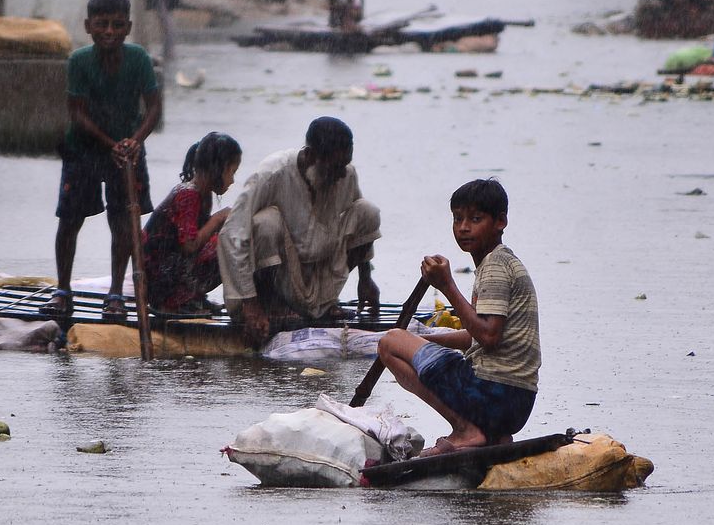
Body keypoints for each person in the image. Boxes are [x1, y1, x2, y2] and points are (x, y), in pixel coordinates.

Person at [376, 179, 539, 456]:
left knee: (390, 343)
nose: (464, 227)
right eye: (457, 219)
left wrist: (447, 285)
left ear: (500, 222)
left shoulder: (496, 266)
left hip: (492, 395)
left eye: (475, 219)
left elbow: (488, 336)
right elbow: (477, 335)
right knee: (402, 341)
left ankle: (465, 429)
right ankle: (488, 435)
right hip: (515, 404)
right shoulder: (501, 262)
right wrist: (420, 341)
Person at [40, 0, 163, 321]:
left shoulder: (138, 59)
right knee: (70, 220)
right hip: (83, 148)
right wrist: (112, 143)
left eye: (117, 25)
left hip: (127, 149)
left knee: (124, 221)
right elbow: (77, 113)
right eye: (102, 24)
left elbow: (153, 108)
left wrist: (134, 142)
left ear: (128, 27)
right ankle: (62, 291)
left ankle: (115, 294)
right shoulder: (79, 61)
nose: (109, 31)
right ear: (88, 26)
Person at [218, 117, 380, 344]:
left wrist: (366, 278)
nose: (342, 175)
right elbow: (232, 234)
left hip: (318, 278)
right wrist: (250, 304)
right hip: (275, 280)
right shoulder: (274, 172)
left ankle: (324, 304)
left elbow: (361, 228)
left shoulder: (346, 174)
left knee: (367, 211)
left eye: (345, 165)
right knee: (266, 222)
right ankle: (272, 306)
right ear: (312, 156)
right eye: (335, 167)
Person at [142, 132, 241, 315]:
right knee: (226, 245)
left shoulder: (204, 195)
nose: (233, 180)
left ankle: (193, 297)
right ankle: (173, 303)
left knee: (232, 241)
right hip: (159, 278)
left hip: (173, 266)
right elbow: (189, 246)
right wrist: (217, 219)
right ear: (218, 168)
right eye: (232, 172)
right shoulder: (188, 194)